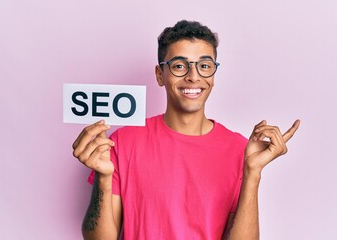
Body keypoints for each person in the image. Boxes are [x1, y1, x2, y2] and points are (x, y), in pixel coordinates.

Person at [72, 20, 300, 240]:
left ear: (213, 75)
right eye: (180, 66)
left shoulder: (240, 149)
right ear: (160, 75)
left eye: (204, 66)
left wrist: (253, 173)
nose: (193, 76)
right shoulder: (122, 142)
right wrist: (103, 177)